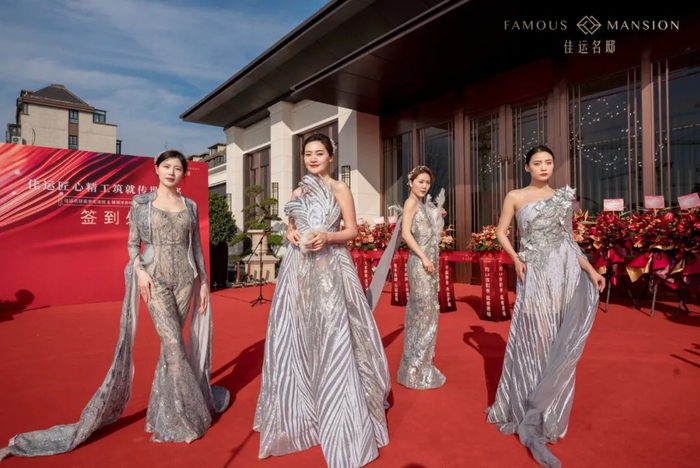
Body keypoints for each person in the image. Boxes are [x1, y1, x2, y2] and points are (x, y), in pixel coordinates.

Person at [0, 150, 229, 460]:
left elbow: (196, 248)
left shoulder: (190, 205)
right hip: (154, 281)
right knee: (174, 345)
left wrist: (202, 282)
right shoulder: (141, 203)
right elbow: (133, 244)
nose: (172, 172)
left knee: (170, 348)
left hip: (186, 281)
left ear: (184, 174)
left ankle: (162, 414)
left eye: (178, 168)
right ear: (156, 168)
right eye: (166, 166)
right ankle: (186, 419)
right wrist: (140, 271)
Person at [253, 134, 390, 468]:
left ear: (331, 157)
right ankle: (304, 413)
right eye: (308, 154)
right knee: (298, 335)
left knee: (334, 335)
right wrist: (291, 233)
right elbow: (291, 227)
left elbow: (352, 231)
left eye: (319, 153)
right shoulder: (297, 192)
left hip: (332, 268)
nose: (313, 158)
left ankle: (341, 416)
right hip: (298, 270)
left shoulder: (340, 189)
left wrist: (328, 236)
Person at [485, 145, 605, 468]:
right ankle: (527, 405)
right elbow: (501, 232)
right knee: (534, 339)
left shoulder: (563, 198)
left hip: (563, 274)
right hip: (534, 273)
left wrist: (591, 270)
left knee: (556, 341)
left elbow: (569, 240)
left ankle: (548, 409)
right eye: (537, 163)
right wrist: (515, 258)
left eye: (548, 162)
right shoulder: (515, 196)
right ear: (527, 167)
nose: (543, 167)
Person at [395, 165, 446, 390]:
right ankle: (414, 369)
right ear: (410, 183)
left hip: (430, 264)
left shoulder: (422, 206)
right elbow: (406, 234)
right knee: (421, 313)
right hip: (420, 264)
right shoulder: (410, 203)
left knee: (427, 313)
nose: (424, 186)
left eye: (427, 183)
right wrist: (424, 257)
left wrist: (438, 214)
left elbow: (428, 232)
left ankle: (420, 367)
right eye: (420, 182)